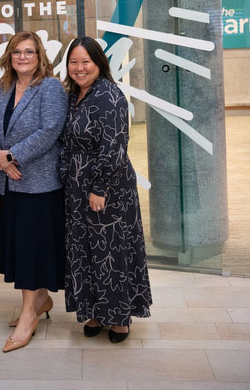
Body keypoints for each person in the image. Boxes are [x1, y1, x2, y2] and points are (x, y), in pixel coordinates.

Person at [61, 36, 152, 342]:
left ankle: (120, 318)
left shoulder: (109, 95)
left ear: (99, 63)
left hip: (108, 186)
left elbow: (114, 147)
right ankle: (96, 312)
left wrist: (99, 187)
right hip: (76, 186)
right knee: (87, 250)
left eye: (86, 61)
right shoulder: (73, 95)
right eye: (73, 62)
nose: (79, 68)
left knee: (111, 250)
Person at [0, 31, 68, 353]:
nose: (23, 57)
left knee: (33, 249)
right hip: (10, 183)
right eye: (17, 52)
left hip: (40, 184)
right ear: (9, 57)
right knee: (20, 247)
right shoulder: (2, 88)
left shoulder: (50, 88)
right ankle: (42, 300)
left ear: (40, 56)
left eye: (29, 52)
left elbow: (50, 131)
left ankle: (27, 317)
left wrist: (11, 156)